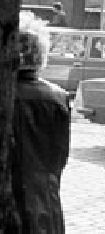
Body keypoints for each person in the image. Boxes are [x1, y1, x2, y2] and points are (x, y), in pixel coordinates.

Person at [14, 12, 71, 233]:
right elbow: (59, 157)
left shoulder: (6, 96)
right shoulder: (58, 97)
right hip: (45, 202)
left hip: (12, 200)